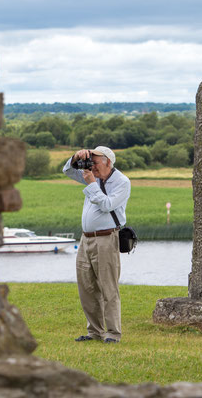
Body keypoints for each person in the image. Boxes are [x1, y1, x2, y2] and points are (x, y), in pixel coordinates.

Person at [63, 146, 131, 344]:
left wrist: (92, 184)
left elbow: (107, 205)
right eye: (90, 161)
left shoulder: (122, 182)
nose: (92, 166)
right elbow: (67, 171)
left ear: (108, 162)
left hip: (107, 238)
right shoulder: (90, 174)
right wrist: (76, 157)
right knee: (87, 287)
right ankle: (94, 331)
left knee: (108, 288)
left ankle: (113, 334)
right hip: (86, 239)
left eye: (96, 161)